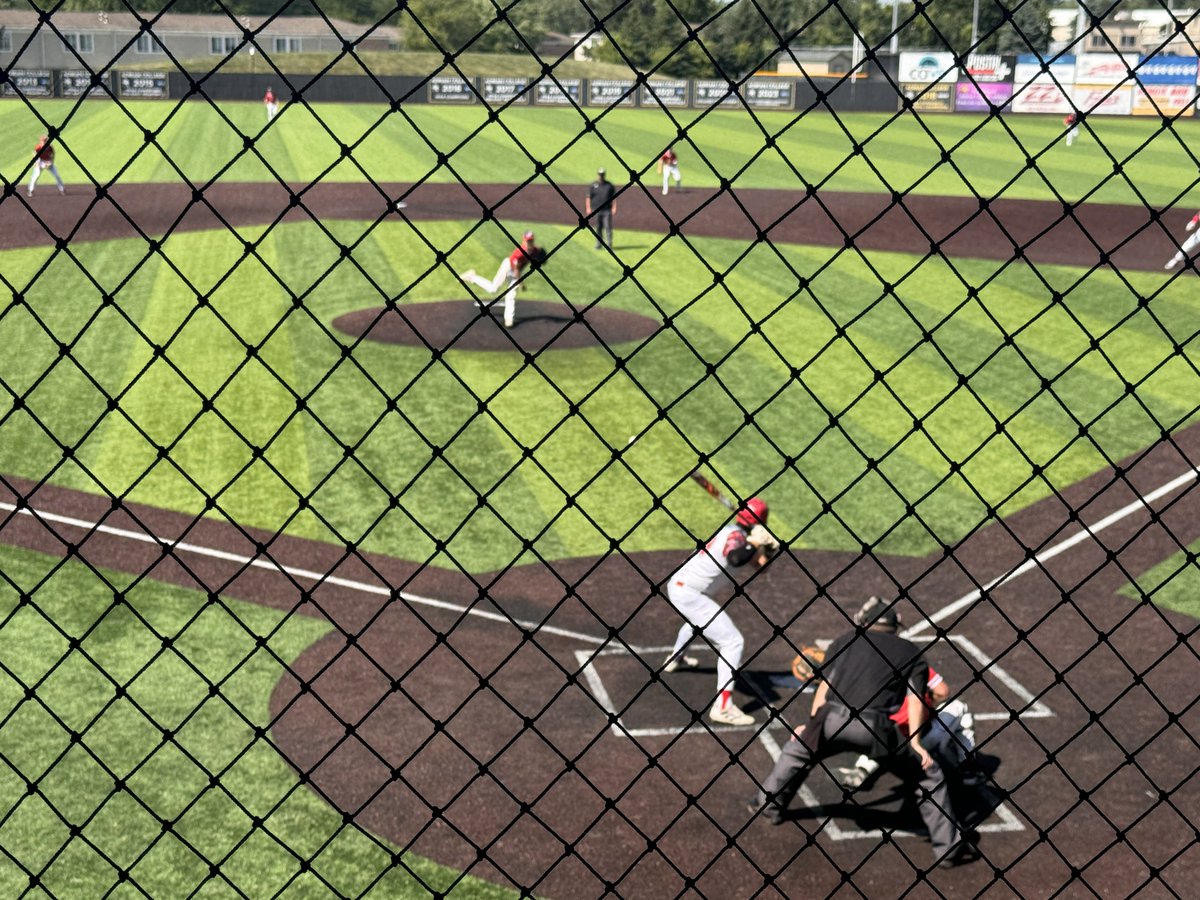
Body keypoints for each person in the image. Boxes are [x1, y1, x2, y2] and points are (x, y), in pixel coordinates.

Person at [748, 596, 978, 869]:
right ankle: (948, 848)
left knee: (797, 752)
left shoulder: (844, 640)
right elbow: (917, 698)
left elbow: (825, 688)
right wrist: (915, 743)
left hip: (831, 720)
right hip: (876, 729)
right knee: (929, 775)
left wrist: (810, 726)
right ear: (895, 626)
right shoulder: (910, 651)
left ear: (865, 621)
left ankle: (767, 804)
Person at [663, 497, 779, 726]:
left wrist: (769, 548)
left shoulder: (742, 536)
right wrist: (755, 543)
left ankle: (675, 658)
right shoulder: (736, 537)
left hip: (685, 588)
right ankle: (723, 707)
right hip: (688, 593)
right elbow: (736, 558)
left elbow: (760, 567)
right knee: (733, 641)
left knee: (698, 620)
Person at [838, 663, 979, 789]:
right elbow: (943, 692)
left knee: (883, 729)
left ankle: (863, 768)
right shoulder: (915, 665)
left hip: (880, 737)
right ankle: (967, 766)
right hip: (917, 743)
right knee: (960, 709)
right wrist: (929, 702)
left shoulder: (875, 669)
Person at [458, 231, 544, 328]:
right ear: (524, 241)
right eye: (528, 241)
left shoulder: (535, 250)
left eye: (531, 240)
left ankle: (509, 319)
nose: (530, 243)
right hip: (508, 268)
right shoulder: (519, 252)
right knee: (493, 289)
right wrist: (522, 284)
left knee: (511, 295)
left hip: (517, 271)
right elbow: (516, 271)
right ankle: (472, 276)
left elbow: (539, 252)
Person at [586, 168, 617, 250]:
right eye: (600, 174)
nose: (601, 176)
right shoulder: (593, 185)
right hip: (596, 210)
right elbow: (588, 197)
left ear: (604, 175)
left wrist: (614, 208)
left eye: (602, 174)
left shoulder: (609, 185)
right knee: (598, 228)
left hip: (607, 210)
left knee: (608, 227)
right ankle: (598, 244)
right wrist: (588, 208)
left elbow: (614, 197)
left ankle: (609, 244)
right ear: (598, 175)